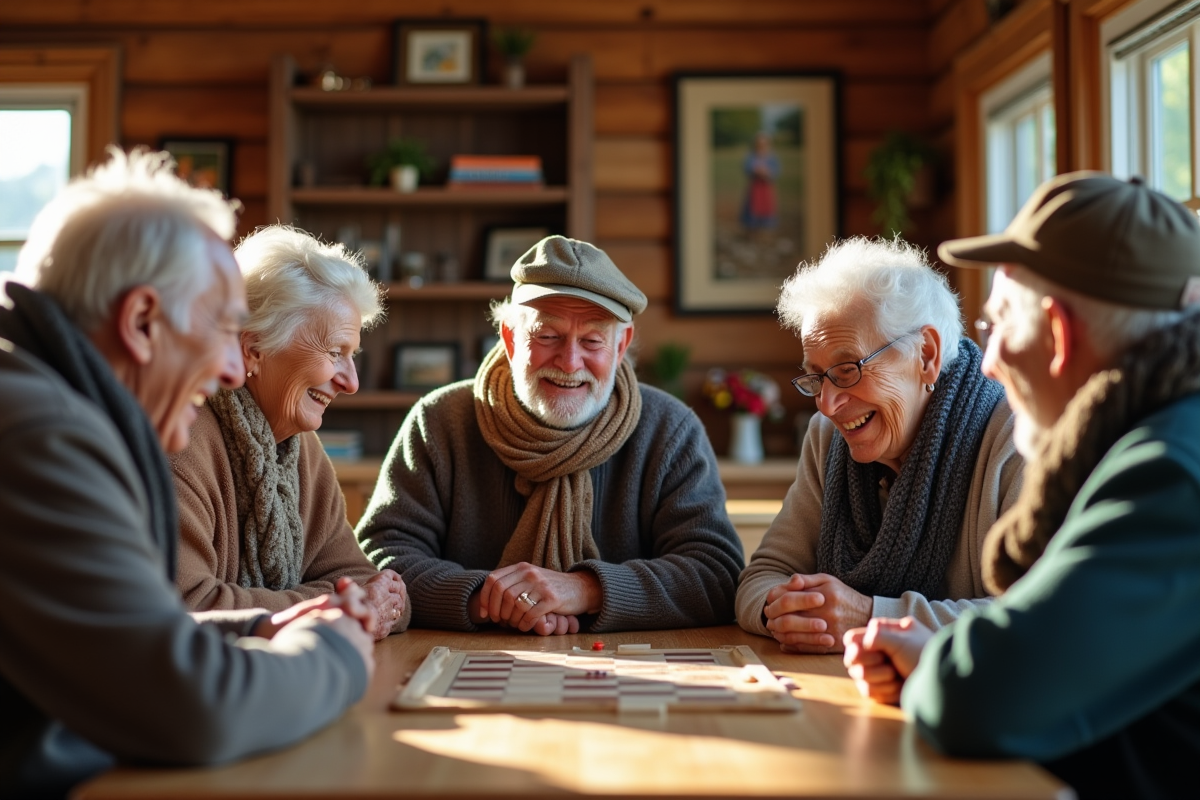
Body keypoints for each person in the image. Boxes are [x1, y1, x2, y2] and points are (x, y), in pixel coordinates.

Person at [0, 149, 374, 799]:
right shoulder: (40, 433)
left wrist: (257, 626)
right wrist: (338, 653)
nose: (235, 368)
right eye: (225, 330)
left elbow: (124, 636)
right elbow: (192, 709)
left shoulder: (53, 407)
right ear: (142, 322)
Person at [843, 172, 1200, 799]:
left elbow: (980, 699)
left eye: (997, 324)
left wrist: (937, 663)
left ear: (1058, 335)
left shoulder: (1168, 471)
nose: (987, 362)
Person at [357, 235, 744, 635]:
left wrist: (584, 590)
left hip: (631, 670)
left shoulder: (671, 429)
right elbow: (379, 558)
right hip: (459, 663)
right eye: (547, 336)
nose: (569, 361)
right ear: (509, 337)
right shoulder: (439, 420)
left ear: (620, 344)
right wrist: (489, 600)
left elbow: (715, 574)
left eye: (592, 340)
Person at [736, 236, 1023, 653]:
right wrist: (787, 610)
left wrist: (873, 617)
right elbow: (765, 574)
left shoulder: (1013, 437)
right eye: (816, 376)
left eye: (848, 369)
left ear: (925, 354)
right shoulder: (825, 438)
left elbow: (1034, 615)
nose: (827, 403)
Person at [170, 226, 409, 640]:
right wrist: (336, 606)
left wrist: (364, 602)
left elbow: (365, 583)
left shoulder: (300, 447)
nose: (350, 382)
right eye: (335, 353)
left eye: (352, 356)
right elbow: (190, 608)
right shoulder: (182, 439)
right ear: (254, 348)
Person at [741, 131, 780, 234]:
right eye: (759, 144)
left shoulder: (772, 157)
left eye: (764, 144)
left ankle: (766, 228)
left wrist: (768, 173)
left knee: (767, 207)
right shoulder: (751, 156)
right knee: (753, 206)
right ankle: (752, 227)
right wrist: (756, 170)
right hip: (755, 187)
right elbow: (747, 168)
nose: (761, 146)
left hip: (766, 187)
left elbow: (776, 171)